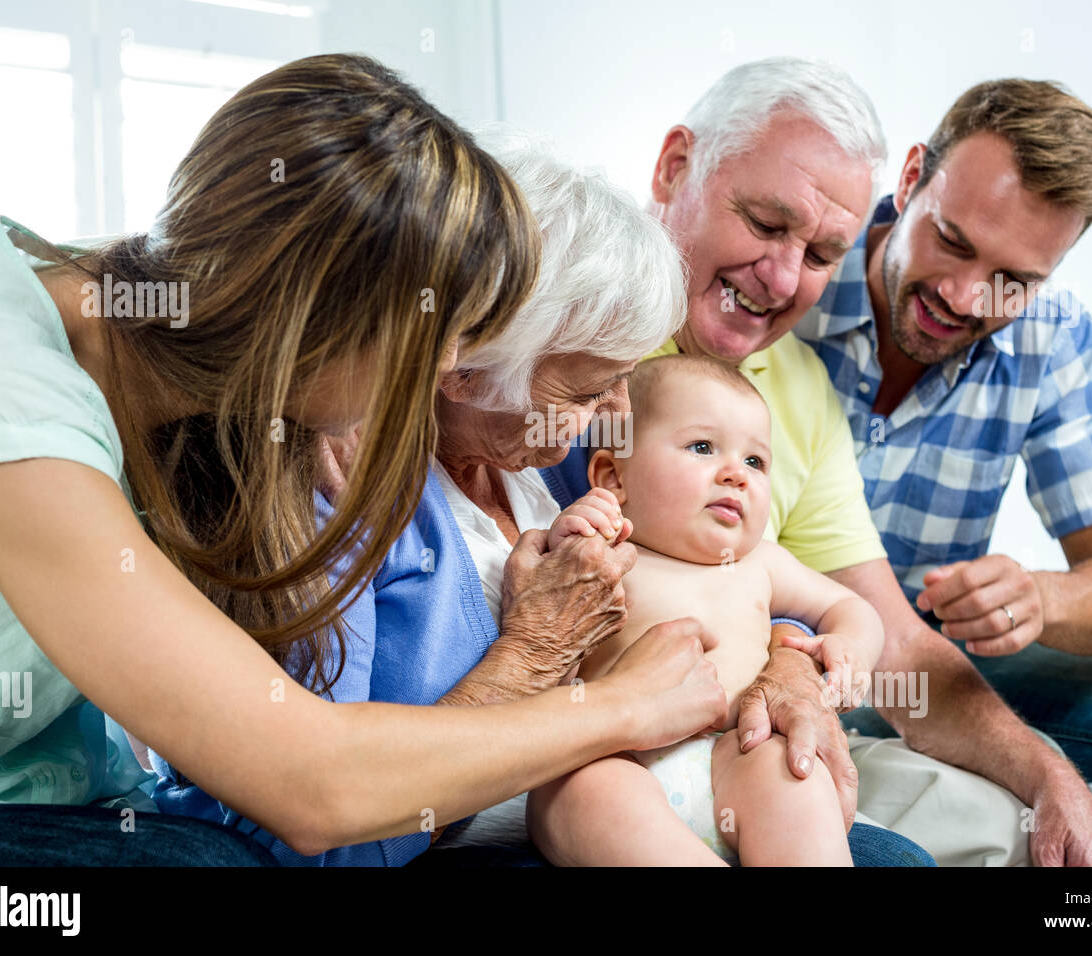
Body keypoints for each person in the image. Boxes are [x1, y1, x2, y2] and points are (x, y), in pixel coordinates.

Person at [0, 53, 724, 865]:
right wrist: (620, 705)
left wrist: (297, 396)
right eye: (435, 334)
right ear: (321, 320)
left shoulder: (192, 334)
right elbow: (312, 791)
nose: (448, 366)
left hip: (78, 801)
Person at [154, 139, 933, 866]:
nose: (614, 413)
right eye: (591, 387)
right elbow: (312, 827)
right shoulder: (335, 492)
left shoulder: (537, 463)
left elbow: (702, 575)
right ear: (466, 365)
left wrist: (789, 664)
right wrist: (530, 657)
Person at [544, 57, 1092, 865]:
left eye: (819, 255)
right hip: (583, 760)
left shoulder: (801, 385)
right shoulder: (564, 320)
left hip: (736, 750)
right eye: (766, 223)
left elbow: (876, 626)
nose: (781, 278)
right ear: (676, 168)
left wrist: (1049, 778)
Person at [794, 78, 1092, 866]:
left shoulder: (1054, 338)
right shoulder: (796, 277)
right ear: (912, 176)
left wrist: (1039, 598)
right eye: (952, 241)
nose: (964, 296)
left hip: (934, 653)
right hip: (790, 642)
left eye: (1015, 281)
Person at [528, 354, 884, 866]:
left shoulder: (762, 562)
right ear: (613, 477)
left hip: (737, 752)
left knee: (795, 773)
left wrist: (847, 645)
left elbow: (851, 607)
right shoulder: (601, 550)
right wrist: (565, 539)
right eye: (702, 447)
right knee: (582, 788)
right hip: (613, 755)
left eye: (755, 462)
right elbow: (535, 615)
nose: (736, 475)